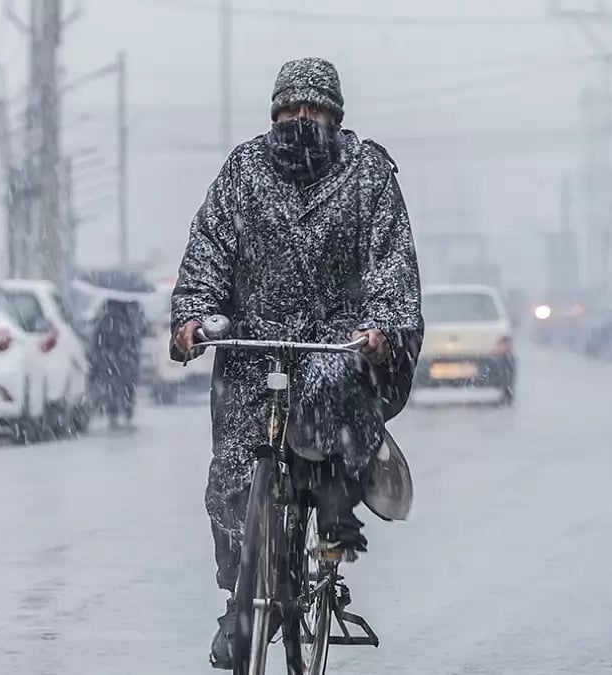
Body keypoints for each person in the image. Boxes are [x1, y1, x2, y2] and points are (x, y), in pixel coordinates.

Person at [168, 56, 424, 669]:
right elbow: (208, 249)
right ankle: (241, 601)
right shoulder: (243, 173)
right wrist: (192, 319)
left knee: (332, 395)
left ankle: (336, 518)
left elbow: (392, 263)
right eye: (288, 110)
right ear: (273, 114)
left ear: (335, 114)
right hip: (255, 350)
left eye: (312, 110)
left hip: (332, 342)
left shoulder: (368, 175)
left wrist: (381, 330)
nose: (298, 120)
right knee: (231, 480)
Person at [89, 299, 143, 428]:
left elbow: (97, 343)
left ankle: (113, 412)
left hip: (110, 362)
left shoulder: (104, 321)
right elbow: (134, 341)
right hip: (124, 362)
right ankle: (126, 409)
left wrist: (103, 355)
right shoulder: (128, 322)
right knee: (126, 387)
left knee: (112, 387)